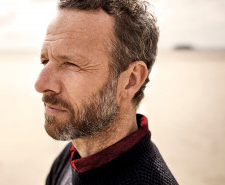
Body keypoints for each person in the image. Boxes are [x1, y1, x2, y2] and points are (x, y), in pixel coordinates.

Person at [34, 0, 178, 184]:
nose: (40, 84)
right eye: (45, 61)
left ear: (130, 81)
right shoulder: (74, 155)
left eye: (71, 64)